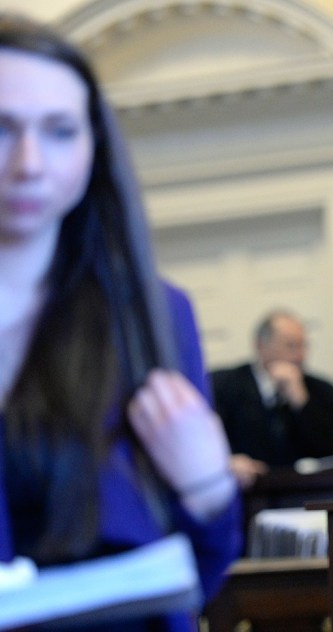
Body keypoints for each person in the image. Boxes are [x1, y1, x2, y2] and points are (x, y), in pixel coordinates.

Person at [0, 12, 241, 630]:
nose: (29, 162)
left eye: (58, 131)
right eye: (2, 128)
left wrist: (209, 484)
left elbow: (200, 570)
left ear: (92, 147)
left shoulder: (152, 317)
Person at [210, 310, 333, 488]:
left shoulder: (321, 390)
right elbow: (211, 443)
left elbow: (331, 452)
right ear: (260, 346)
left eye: (303, 346)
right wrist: (230, 460)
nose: (300, 355)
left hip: (305, 491)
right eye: (291, 346)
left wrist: (301, 402)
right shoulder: (222, 385)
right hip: (249, 492)